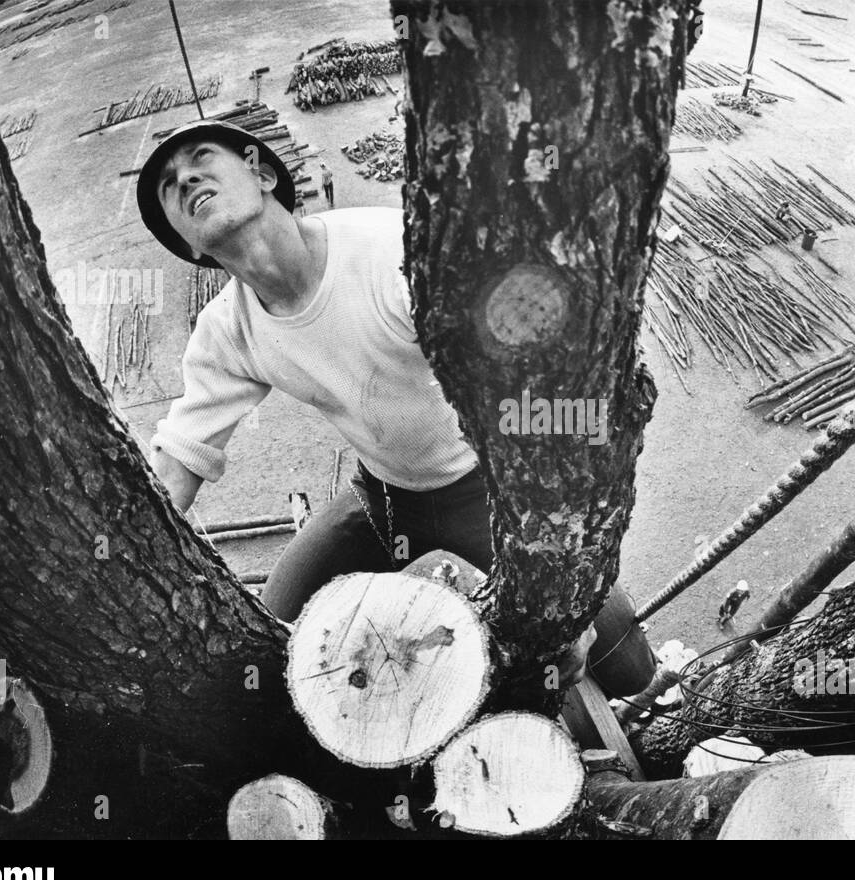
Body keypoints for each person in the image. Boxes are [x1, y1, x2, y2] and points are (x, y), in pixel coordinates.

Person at [135, 120, 654, 694]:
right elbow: (180, 456)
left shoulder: (392, 253)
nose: (185, 178)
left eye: (200, 157)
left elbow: (529, 391)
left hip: (487, 488)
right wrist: (124, 561)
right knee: (278, 632)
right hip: (382, 498)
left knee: (628, 668)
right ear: (188, 243)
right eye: (167, 185)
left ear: (261, 172)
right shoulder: (226, 331)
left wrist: (554, 576)